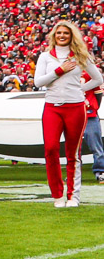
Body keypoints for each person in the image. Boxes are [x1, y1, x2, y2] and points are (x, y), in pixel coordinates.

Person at [33, 19, 102, 208]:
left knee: (73, 153)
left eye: (66, 33)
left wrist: (80, 90)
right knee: (51, 149)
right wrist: (59, 71)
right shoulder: (45, 57)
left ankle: (73, 196)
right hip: (52, 107)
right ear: (54, 36)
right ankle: (57, 195)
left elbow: (98, 79)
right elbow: (38, 82)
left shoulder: (80, 56)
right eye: (58, 33)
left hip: (75, 108)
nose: (62, 36)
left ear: (72, 36)